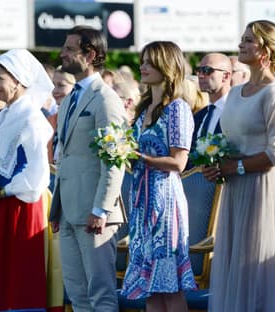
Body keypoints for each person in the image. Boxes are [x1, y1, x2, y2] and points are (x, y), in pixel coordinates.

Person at [203, 20, 275, 312]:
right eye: (242, 38)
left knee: (257, 269)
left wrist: (234, 168)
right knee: (235, 265)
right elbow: (229, 142)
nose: (241, 44)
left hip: (263, 191)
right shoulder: (235, 93)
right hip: (235, 190)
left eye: (249, 40)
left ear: (264, 49)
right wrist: (215, 163)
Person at [49, 26, 128, 311]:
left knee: (101, 295)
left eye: (70, 49)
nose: (62, 54)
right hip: (68, 212)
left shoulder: (106, 99)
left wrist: (101, 209)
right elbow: (65, 156)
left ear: (90, 54)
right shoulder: (70, 97)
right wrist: (56, 207)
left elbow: (115, 160)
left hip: (95, 215)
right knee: (78, 295)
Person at [120, 41, 197, 312]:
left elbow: (179, 161)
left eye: (150, 62)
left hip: (165, 202)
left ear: (167, 66)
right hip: (141, 201)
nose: (143, 67)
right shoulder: (143, 110)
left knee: (169, 284)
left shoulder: (177, 108)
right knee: (150, 287)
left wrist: (142, 158)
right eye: (142, 61)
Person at [0, 49, 53, 311]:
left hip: (19, 208)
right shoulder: (0, 116)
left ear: (19, 80)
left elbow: (36, 175)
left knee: (18, 279)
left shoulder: (32, 119)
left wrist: (0, 192)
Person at [192, 53, 231, 145]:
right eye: (199, 70)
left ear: (225, 76)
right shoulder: (199, 116)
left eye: (207, 70)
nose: (201, 76)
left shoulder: (237, 111)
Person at [47, 67, 75, 164]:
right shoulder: (50, 120)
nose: (55, 91)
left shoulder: (80, 120)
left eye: (61, 85)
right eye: (53, 85)